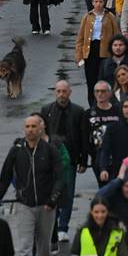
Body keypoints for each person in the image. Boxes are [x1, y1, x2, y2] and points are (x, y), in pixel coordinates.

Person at [0, 113, 63, 256]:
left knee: (44, 246)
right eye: (27, 127)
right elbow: (5, 177)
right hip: (24, 204)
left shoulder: (50, 150)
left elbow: (60, 177)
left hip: (46, 206)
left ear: (41, 128)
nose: (30, 130)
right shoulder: (16, 151)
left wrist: (53, 199)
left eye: (34, 126)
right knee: (24, 245)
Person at [41, 81, 86, 242]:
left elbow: (83, 136)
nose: (61, 94)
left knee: (68, 193)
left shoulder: (78, 111)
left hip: (71, 158)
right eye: (59, 91)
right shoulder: (46, 110)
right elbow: (43, 133)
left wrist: (83, 159)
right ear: (55, 92)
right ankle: (53, 223)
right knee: (52, 191)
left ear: (70, 92)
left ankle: (63, 227)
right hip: (51, 159)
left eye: (64, 91)